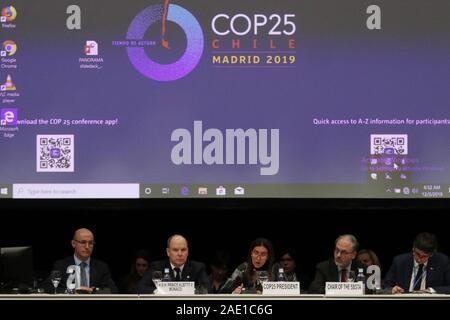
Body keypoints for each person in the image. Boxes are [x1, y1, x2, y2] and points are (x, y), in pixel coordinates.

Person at [44, 228, 118, 293]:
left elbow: (113, 290)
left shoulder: (101, 267)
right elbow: (47, 287)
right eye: (83, 242)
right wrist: (71, 291)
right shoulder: (61, 265)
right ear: (73, 243)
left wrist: (94, 291)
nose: (87, 247)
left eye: (91, 243)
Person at [137, 234, 209, 294]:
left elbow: (207, 289)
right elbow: (141, 287)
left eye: (183, 250)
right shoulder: (157, 266)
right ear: (168, 252)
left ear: (188, 252)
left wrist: (186, 291)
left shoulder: (198, 267)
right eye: (175, 250)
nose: (180, 254)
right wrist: (159, 292)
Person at [384, 232, 450, 294]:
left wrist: (431, 290)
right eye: (417, 254)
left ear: (431, 254)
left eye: (424, 256)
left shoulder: (442, 262)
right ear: (413, 249)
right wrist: (392, 289)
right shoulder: (399, 261)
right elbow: (386, 285)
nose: (419, 259)